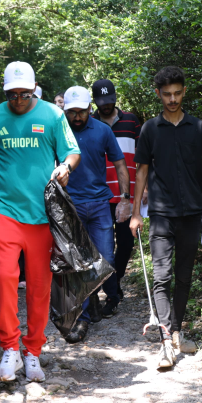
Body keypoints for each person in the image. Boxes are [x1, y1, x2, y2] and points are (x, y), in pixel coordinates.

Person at [0, 61, 80, 382]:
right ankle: (10, 349)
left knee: (39, 287)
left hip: (43, 216)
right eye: (12, 95)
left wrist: (66, 167)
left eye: (24, 94)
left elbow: (72, 152)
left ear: (34, 89)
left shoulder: (52, 115)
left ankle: (32, 352)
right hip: (5, 212)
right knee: (3, 277)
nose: (18, 100)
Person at [130, 66, 202, 368]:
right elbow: (141, 172)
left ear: (184, 91)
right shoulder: (149, 129)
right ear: (158, 94)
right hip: (161, 214)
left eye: (177, 93)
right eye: (167, 94)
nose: (172, 99)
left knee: (184, 276)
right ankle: (165, 341)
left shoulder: (197, 127)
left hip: (191, 214)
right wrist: (135, 213)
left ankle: (177, 332)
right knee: (162, 276)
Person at [61, 86, 130, 343]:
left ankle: (98, 297)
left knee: (106, 258)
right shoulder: (60, 131)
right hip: (71, 205)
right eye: (72, 112)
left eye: (82, 111)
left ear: (90, 108)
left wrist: (125, 199)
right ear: (65, 111)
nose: (77, 117)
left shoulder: (103, 130)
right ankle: (84, 316)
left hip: (100, 204)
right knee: (78, 261)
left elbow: (120, 163)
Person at [92, 78, 143, 317]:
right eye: (101, 102)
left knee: (126, 244)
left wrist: (144, 188)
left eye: (109, 101)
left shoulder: (131, 121)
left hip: (126, 194)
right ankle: (109, 292)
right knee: (103, 248)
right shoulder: (90, 122)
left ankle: (115, 280)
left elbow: (143, 157)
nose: (106, 105)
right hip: (99, 195)